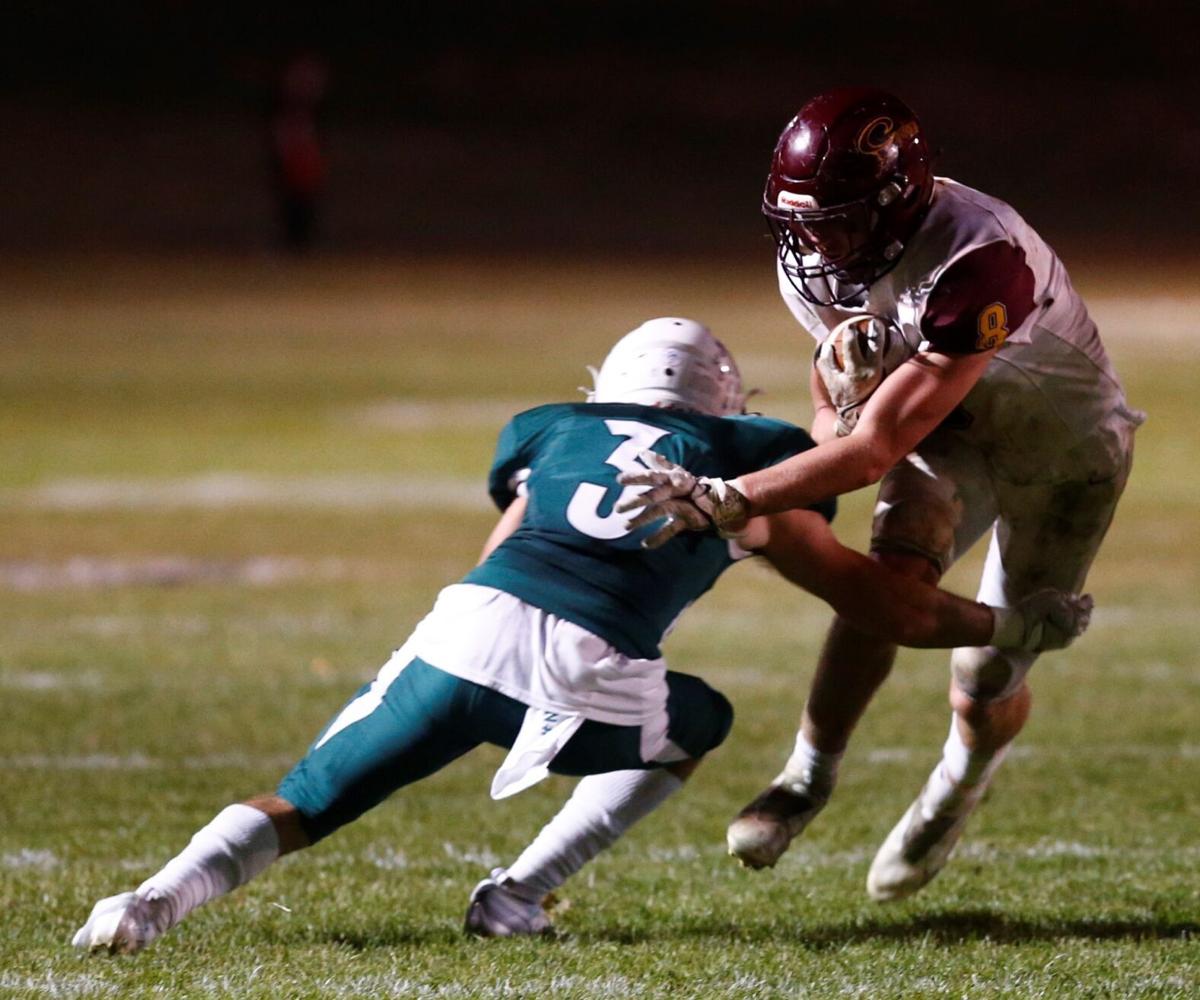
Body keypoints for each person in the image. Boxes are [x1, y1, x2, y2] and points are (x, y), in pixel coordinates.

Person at [73, 318, 1090, 954]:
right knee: (699, 720)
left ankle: (147, 902)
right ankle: (518, 891)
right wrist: (1007, 620)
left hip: (460, 630)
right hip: (587, 670)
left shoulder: (550, 431)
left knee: (304, 800)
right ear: (726, 406)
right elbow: (883, 604)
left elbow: (503, 546)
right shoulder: (744, 466)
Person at [618, 88, 1141, 902]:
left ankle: (960, 781)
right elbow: (840, 423)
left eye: (839, 217)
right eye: (806, 220)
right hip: (950, 434)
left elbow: (869, 454)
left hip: (1061, 455)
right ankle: (806, 776)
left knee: (983, 681)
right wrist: (841, 397)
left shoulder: (978, 258)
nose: (817, 240)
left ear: (899, 201)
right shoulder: (820, 257)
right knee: (880, 591)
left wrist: (730, 496)